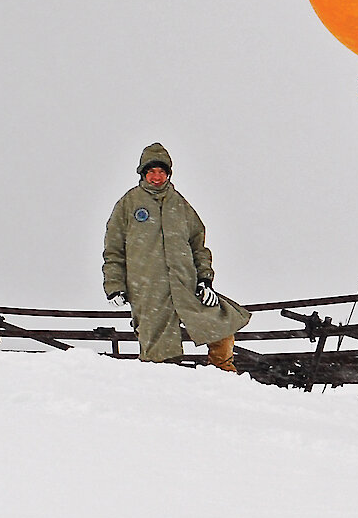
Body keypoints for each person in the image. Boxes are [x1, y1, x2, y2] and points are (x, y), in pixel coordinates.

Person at [103, 143, 250, 372]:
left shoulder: (180, 204)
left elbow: (198, 245)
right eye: (151, 172)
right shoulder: (128, 204)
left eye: (161, 172)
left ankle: (223, 378)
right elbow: (113, 251)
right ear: (143, 173)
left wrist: (204, 280)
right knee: (159, 355)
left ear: (168, 174)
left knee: (222, 326)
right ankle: (166, 395)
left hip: (186, 286)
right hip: (148, 290)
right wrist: (114, 286)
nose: (156, 177)